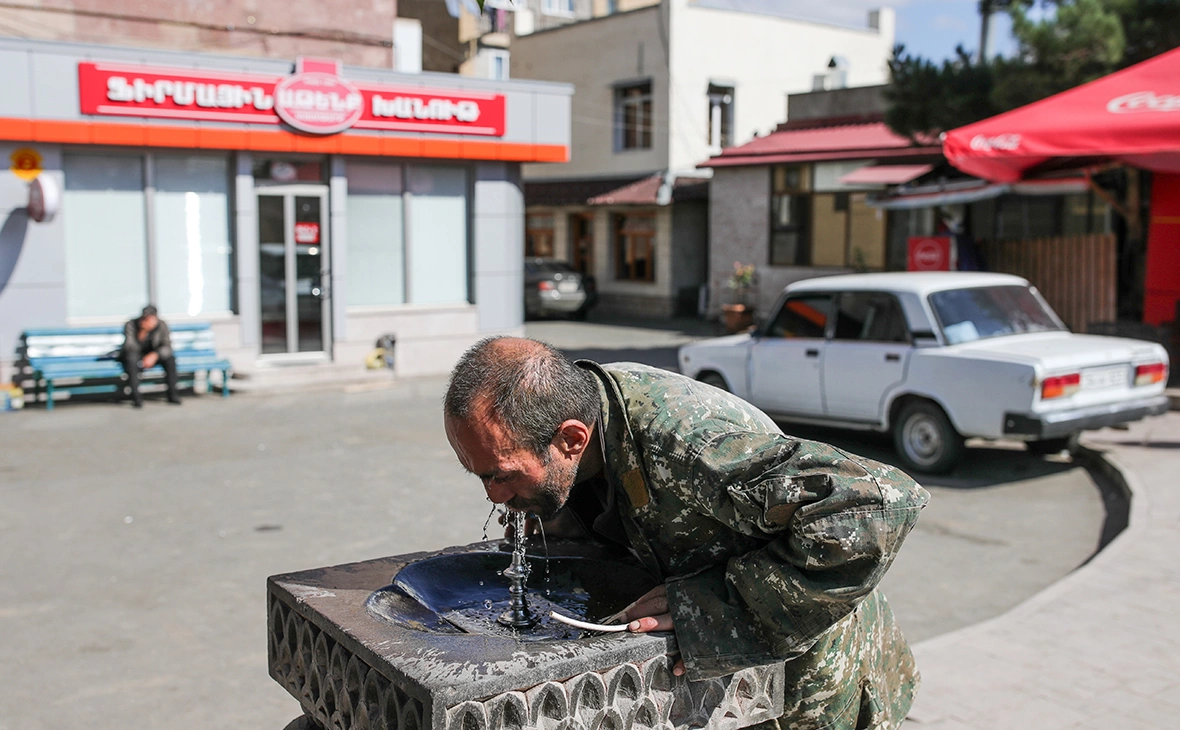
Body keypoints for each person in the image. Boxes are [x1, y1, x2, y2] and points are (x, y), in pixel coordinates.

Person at [443, 337, 929, 730]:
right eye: (481, 475)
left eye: (500, 474)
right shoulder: (577, 410)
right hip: (733, 689)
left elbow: (876, 505)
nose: (493, 497)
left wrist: (715, 602)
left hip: (809, 688)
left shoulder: (687, 444)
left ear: (571, 439)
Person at [120, 305, 180, 407]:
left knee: (170, 359)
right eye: (144, 317)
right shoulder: (131, 325)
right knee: (131, 360)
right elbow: (129, 347)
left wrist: (155, 355)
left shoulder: (162, 325)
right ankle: (136, 397)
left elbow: (167, 346)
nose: (147, 320)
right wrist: (143, 331)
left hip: (154, 354)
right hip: (136, 353)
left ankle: (172, 394)